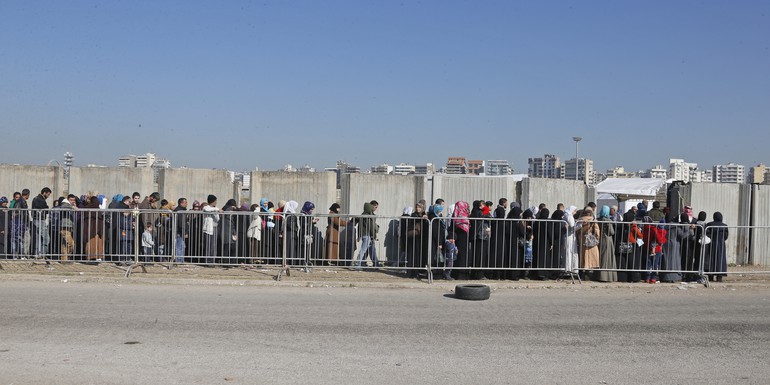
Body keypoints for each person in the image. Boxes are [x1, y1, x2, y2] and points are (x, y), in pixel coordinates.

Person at [660, 213, 686, 283]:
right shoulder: (676, 226)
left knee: (666, 260)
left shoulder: (664, 226)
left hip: (665, 244)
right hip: (675, 244)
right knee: (675, 260)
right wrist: (690, 231)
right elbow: (682, 235)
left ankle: (665, 276)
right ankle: (675, 276)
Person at [354, 201, 379, 270]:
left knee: (372, 249)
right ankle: (357, 264)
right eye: (374, 207)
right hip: (368, 235)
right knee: (364, 249)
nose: (375, 208)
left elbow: (360, 226)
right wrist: (374, 235)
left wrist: (359, 235)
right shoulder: (368, 216)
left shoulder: (364, 215)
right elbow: (371, 226)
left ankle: (376, 263)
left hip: (367, 235)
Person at [705, 212, 729, 282]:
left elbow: (708, 234)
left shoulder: (709, 225)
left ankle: (710, 276)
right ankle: (719, 277)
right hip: (721, 245)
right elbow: (725, 236)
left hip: (711, 244)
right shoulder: (724, 226)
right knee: (720, 260)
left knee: (711, 259)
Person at [577, 208, 600, 279]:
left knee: (582, 257)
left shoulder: (579, 220)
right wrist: (597, 238)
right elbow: (596, 231)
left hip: (582, 239)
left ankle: (581, 274)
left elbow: (577, 230)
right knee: (590, 258)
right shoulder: (592, 220)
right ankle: (587, 274)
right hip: (590, 240)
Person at [596, 206, 617, 282]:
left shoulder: (598, 220)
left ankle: (598, 275)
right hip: (607, 240)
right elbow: (612, 232)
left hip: (600, 240)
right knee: (607, 258)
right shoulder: (608, 220)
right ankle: (605, 277)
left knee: (600, 258)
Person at [642, 217, 666, 283]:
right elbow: (658, 239)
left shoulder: (644, 229)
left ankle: (647, 277)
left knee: (648, 263)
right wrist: (662, 241)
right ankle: (653, 278)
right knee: (655, 263)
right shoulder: (653, 229)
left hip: (647, 247)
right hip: (656, 248)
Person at [30, 187, 51, 257]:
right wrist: (46, 208)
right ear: (44, 193)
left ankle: (38, 253)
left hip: (38, 219)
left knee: (39, 237)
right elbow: (46, 209)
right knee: (46, 238)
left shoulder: (37, 198)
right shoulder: (39, 199)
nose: (48, 196)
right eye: (48, 194)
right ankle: (43, 253)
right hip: (40, 220)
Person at [83, 196, 105, 261]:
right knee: (94, 243)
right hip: (95, 231)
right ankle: (95, 257)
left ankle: (92, 257)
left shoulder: (88, 208)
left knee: (94, 243)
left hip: (90, 230)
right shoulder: (95, 209)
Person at [202, 195, 220, 264]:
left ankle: (212, 260)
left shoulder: (215, 208)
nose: (216, 202)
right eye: (215, 201)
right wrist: (217, 210)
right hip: (208, 229)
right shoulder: (206, 207)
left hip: (214, 228)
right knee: (208, 245)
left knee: (213, 245)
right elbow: (207, 209)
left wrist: (216, 212)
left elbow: (217, 219)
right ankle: (207, 261)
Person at [173, 198, 189, 263]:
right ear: (181, 203)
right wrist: (184, 232)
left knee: (181, 246)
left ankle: (180, 260)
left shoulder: (180, 210)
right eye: (185, 203)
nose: (187, 204)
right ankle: (179, 260)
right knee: (180, 247)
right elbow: (181, 223)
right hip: (179, 232)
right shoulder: (180, 211)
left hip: (179, 231)